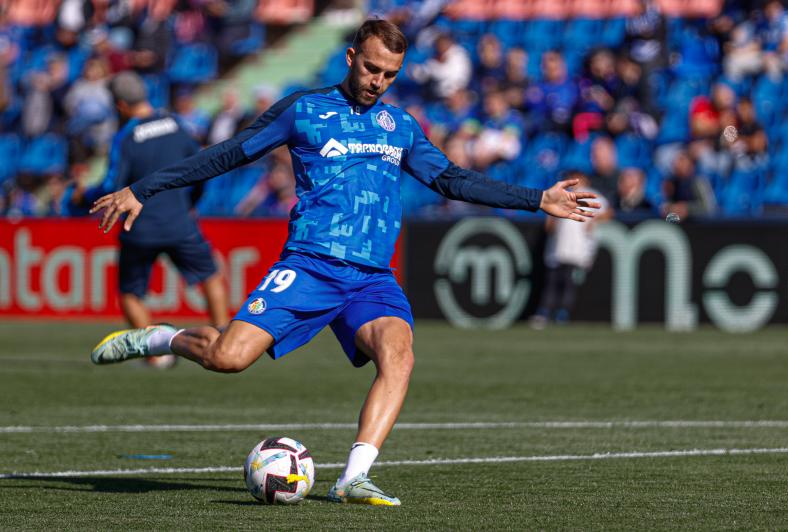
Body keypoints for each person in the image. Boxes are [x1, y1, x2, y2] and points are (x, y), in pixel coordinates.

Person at [88, 19, 598, 505]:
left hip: (371, 277)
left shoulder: (398, 125)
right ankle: (159, 338)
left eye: (390, 74)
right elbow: (226, 154)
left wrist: (537, 198)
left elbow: (453, 179)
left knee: (399, 355)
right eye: (371, 68)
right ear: (351, 56)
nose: (378, 81)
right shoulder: (303, 110)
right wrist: (142, 188)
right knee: (228, 357)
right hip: (311, 265)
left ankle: (354, 479)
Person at [66, 71, 228, 366]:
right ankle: (222, 339)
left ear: (120, 105)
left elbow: (110, 185)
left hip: (138, 226)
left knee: (129, 292)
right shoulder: (179, 126)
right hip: (180, 221)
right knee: (210, 276)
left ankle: (157, 358)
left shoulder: (125, 137)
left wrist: (81, 196)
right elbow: (204, 169)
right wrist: (191, 203)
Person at [531, 170, 613, 329]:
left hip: (577, 248)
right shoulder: (561, 195)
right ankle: (544, 313)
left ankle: (562, 314)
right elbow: (550, 223)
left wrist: (593, 220)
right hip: (558, 247)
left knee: (568, 282)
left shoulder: (591, 195)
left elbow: (608, 212)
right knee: (552, 282)